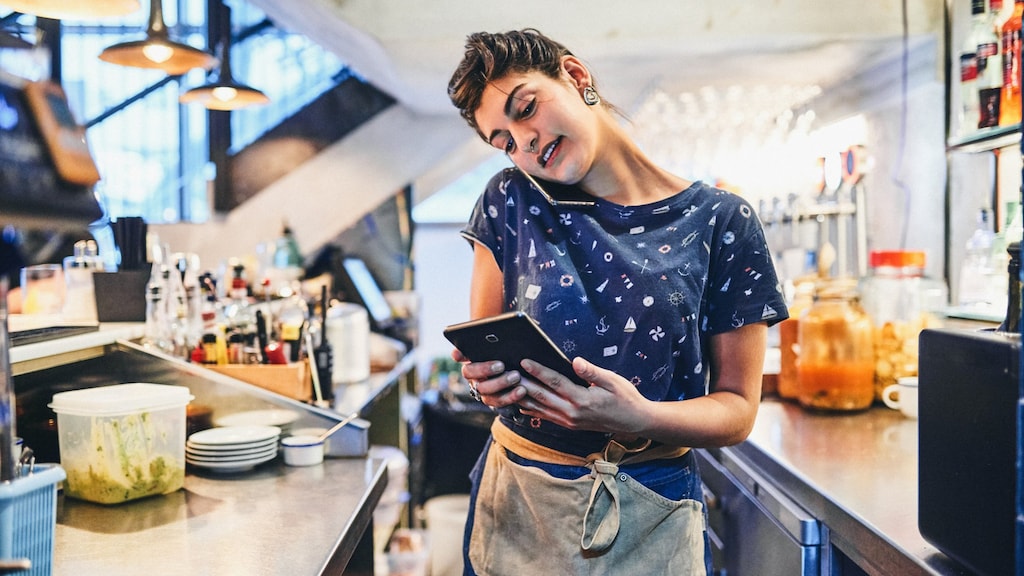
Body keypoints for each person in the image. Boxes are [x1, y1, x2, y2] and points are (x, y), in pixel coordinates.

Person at [447, 28, 788, 575]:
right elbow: (486, 346)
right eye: (504, 140)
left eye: (526, 108)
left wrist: (642, 416)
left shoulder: (722, 221)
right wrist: (485, 379)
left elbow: (737, 411)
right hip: (522, 497)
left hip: (654, 502)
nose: (524, 143)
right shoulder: (510, 200)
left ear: (576, 77)